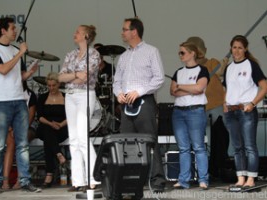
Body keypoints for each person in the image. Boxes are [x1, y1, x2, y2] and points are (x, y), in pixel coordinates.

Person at [0, 17, 41, 193]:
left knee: (22, 144)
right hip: (1, 102)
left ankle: (25, 181)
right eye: (12, 28)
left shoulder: (16, 49)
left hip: (19, 100)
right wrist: (20, 54)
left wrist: (29, 72)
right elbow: (2, 70)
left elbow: (20, 76)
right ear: (3, 31)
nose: (15, 31)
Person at [112, 18, 166, 192]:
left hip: (144, 102)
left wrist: (139, 91)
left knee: (149, 141)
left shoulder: (151, 51)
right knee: (127, 142)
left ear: (134, 31)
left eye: (124, 29)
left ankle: (157, 181)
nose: (122, 32)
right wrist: (118, 93)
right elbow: (116, 81)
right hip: (126, 104)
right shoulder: (123, 56)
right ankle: (132, 180)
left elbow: (159, 78)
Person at [58, 24, 100, 192]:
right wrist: (75, 75)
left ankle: (93, 178)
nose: (74, 34)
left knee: (83, 137)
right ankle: (78, 180)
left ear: (86, 36)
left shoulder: (94, 55)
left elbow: (85, 79)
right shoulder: (71, 54)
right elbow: (61, 77)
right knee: (73, 138)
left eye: (78, 32)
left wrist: (72, 77)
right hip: (70, 95)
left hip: (85, 95)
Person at [223, 35, 267, 188]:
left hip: (246, 110)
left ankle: (251, 178)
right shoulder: (229, 67)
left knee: (249, 146)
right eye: (234, 47)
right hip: (231, 111)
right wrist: (224, 102)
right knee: (237, 147)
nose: (236, 50)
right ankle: (240, 177)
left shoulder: (251, 65)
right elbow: (228, 89)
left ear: (245, 49)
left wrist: (253, 103)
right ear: (231, 48)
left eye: (240, 47)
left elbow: (264, 87)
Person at [170, 41, 210, 189]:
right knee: (183, 148)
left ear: (192, 53)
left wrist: (181, 86)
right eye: (179, 53)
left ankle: (203, 179)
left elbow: (199, 88)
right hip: (179, 111)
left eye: (183, 52)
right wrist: (190, 88)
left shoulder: (202, 70)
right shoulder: (178, 71)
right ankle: (183, 180)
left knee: (199, 146)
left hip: (195, 111)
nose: (180, 55)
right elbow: (172, 91)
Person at [2, 81, 38, 190]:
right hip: (11, 128)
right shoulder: (8, 94)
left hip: (27, 127)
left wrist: (18, 129)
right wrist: (10, 128)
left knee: (20, 142)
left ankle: (20, 179)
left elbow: (30, 117)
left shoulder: (30, 94)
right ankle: (5, 181)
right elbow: (5, 114)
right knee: (10, 145)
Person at [36, 72, 68, 188]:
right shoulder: (43, 97)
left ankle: (49, 173)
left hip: (62, 127)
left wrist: (60, 124)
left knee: (48, 139)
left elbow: (71, 115)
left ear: (58, 84)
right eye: (49, 86)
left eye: (53, 85)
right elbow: (40, 117)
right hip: (46, 125)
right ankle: (58, 154)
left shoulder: (66, 96)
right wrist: (51, 123)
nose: (51, 88)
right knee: (47, 129)